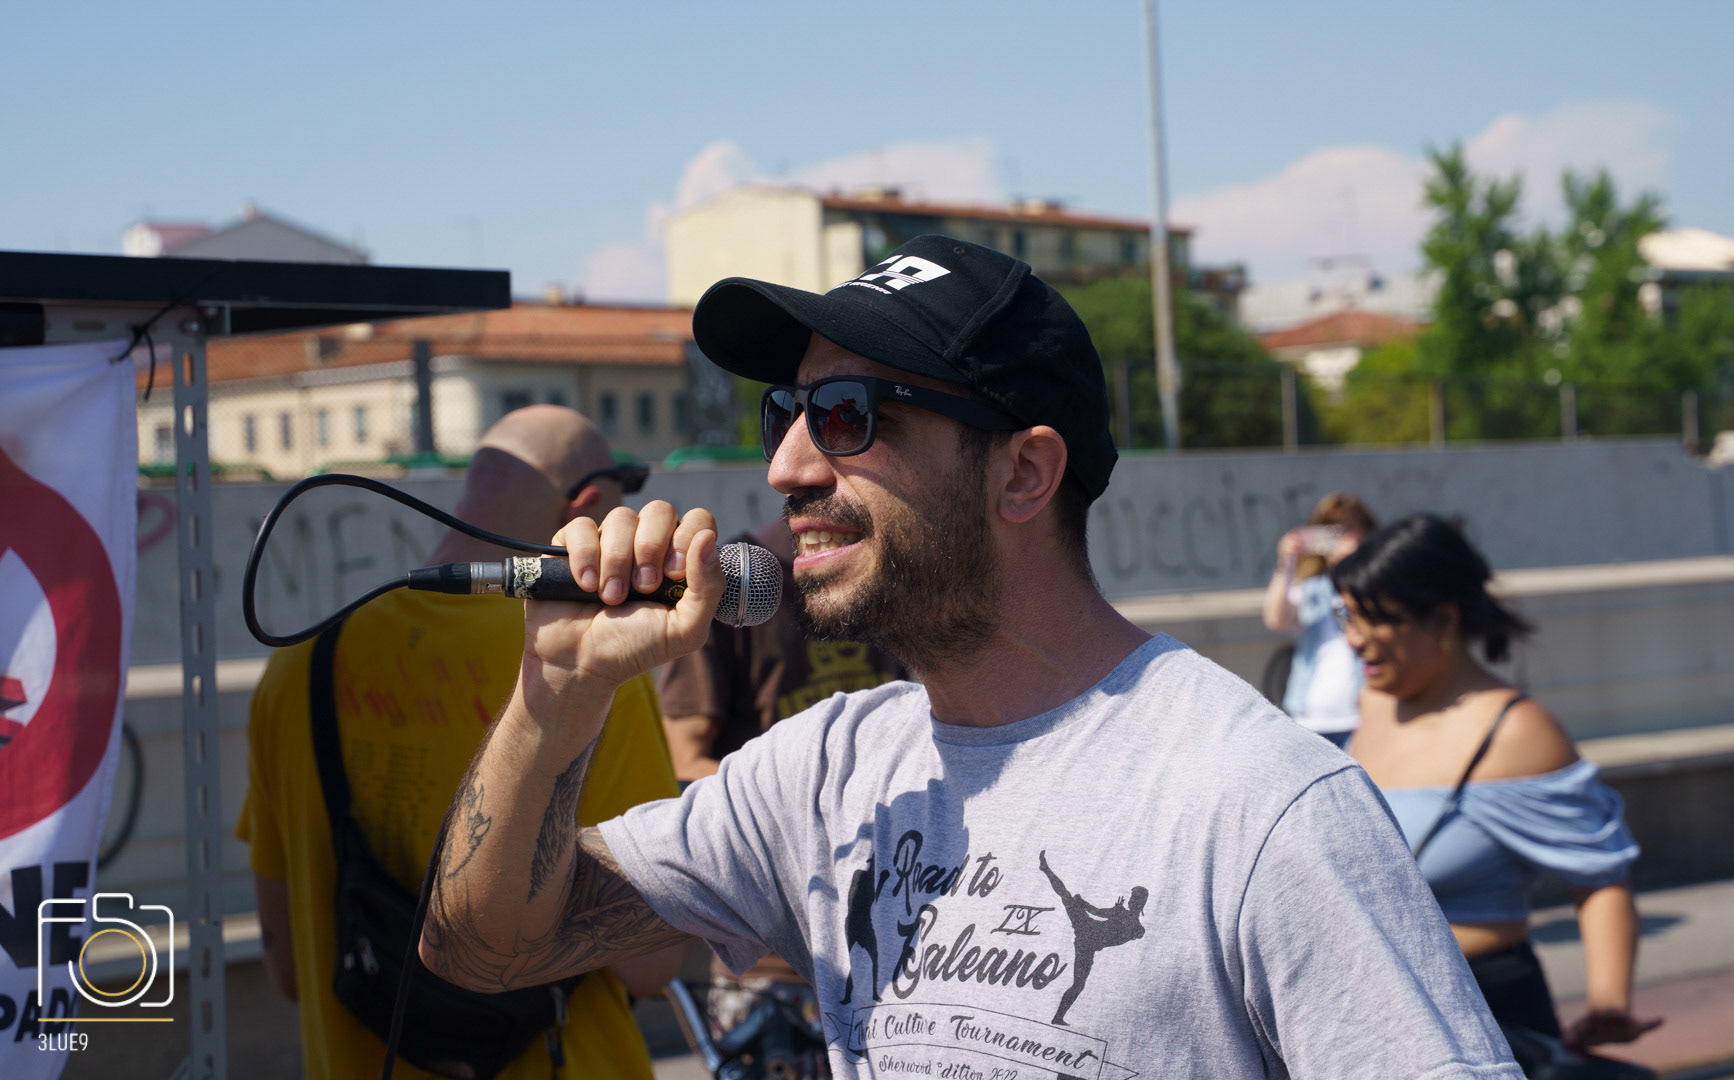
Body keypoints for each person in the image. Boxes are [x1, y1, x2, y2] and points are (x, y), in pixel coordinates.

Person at [417, 236, 1523, 1078]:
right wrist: (555, 697)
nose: (789, 466)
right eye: (785, 412)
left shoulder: (1259, 804)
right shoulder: (828, 771)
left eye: (847, 414)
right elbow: (482, 951)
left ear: (1023, 474)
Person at [237, 405, 685, 1080]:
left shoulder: (298, 668)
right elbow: (651, 964)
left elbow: (290, 969)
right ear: (588, 503)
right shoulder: (589, 664)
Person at [1331, 514, 1662, 1065]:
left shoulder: (1517, 733)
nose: (1353, 639)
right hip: (1371, 1014)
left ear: (1443, 619)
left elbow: (1599, 878)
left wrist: (1608, 1001)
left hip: (1484, 1013)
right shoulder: (1372, 706)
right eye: (1346, 615)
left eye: (1375, 619)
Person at [654, 516, 909, 1045]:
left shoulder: (893, 572)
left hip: (893, 944)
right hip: (775, 967)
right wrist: (824, 808)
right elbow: (684, 760)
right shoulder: (735, 581)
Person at [1262, 491, 1378, 746]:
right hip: (1310, 719)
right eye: (1331, 531)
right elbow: (1276, 620)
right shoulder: (1311, 588)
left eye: (1348, 529)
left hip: (1363, 717)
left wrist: (1356, 565)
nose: (1340, 538)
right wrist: (1287, 563)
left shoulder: (1377, 584)